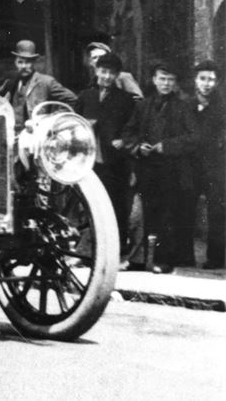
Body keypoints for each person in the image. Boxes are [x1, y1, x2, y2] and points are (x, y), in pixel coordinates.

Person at [120, 60, 197, 273]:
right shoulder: (143, 105)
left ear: (175, 83)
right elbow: (128, 132)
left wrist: (167, 146)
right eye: (162, 78)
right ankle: (137, 260)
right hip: (145, 168)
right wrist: (137, 147)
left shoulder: (184, 106)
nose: (166, 83)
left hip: (171, 170)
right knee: (139, 216)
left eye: (170, 80)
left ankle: (163, 262)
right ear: (154, 80)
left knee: (167, 216)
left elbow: (193, 137)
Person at [74, 52, 137, 258]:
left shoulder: (125, 99)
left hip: (114, 162)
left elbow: (133, 127)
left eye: (111, 73)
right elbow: (76, 124)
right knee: (88, 207)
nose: (107, 77)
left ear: (117, 75)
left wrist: (123, 141)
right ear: (96, 71)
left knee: (115, 206)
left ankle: (114, 253)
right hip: (89, 162)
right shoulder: (86, 96)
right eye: (103, 71)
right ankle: (88, 252)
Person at [0, 40, 76, 131]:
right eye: (20, 62)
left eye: (28, 62)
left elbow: (72, 100)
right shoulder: (10, 82)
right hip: (13, 135)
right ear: (15, 63)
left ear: (34, 63)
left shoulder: (46, 82)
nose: (23, 66)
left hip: (36, 136)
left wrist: (49, 120)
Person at [192, 60, 225, 269]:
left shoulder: (222, 106)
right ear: (195, 80)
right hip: (190, 164)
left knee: (217, 210)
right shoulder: (186, 103)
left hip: (215, 164)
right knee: (184, 208)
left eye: (211, 79)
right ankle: (182, 256)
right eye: (203, 79)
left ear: (217, 82)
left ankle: (216, 257)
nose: (207, 84)